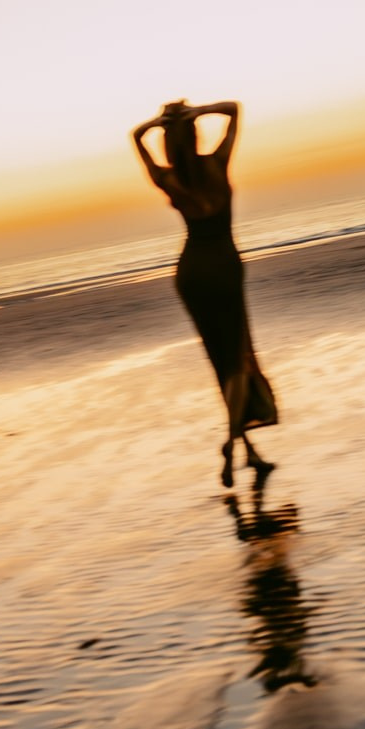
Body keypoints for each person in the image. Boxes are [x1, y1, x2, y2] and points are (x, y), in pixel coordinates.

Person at [132, 98, 278, 487]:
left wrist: (157, 124)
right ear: (194, 132)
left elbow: (135, 137)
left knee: (222, 361)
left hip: (192, 273)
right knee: (237, 357)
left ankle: (251, 453)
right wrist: (194, 114)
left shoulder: (169, 177)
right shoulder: (216, 162)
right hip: (225, 268)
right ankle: (232, 443)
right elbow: (234, 110)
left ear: (167, 141)